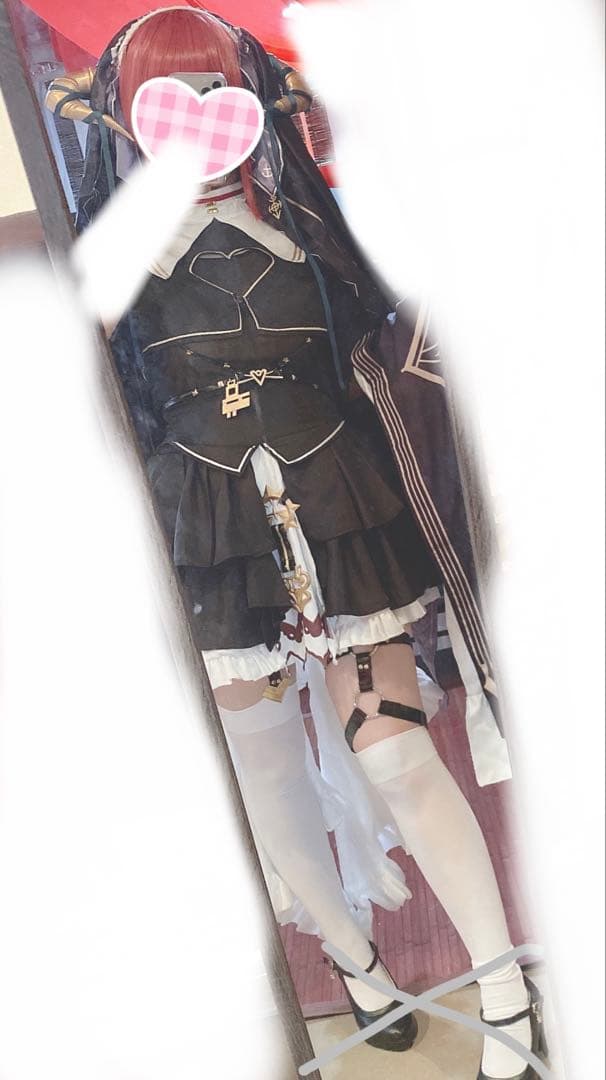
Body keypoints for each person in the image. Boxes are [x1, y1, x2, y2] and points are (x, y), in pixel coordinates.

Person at [49, 8, 548, 1076]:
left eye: (219, 93)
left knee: (399, 755)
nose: (199, 120)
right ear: (124, 117)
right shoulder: (109, 257)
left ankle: (506, 984)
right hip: (210, 534)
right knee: (263, 772)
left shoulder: (314, 229)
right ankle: (353, 957)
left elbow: (399, 344)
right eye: (169, 100)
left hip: (337, 509)